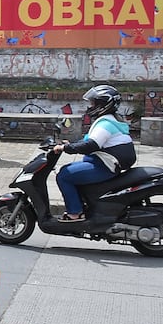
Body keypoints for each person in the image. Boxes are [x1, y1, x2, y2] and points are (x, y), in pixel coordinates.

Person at [52, 85, 135, 222]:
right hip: (104, 163)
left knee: (64, 175)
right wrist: (70, 144)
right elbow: (90, 141)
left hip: (104, 167)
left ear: (103, 104)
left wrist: (65, 149)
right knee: (73, 171)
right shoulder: (112, 119)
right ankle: (83, 205)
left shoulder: (105, 124)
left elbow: (92, 145)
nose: (90, 106)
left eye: (93, 103)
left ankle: (75, 213)